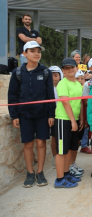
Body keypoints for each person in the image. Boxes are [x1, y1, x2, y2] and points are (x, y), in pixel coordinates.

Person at [8, 41, 55, 188]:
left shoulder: (45, 72)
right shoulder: (18, 73)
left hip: (42, 114)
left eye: (38, 51)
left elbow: (50, 95)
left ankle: (40, 172)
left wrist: (51, 114)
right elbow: (12, 95)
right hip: (24, 115)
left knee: (41, 143)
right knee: (28, 144)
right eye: (32, 51)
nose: (36, 54)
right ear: (24, 54)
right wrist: (14, 115)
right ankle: (30, 173)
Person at [54, 58, 83, 188]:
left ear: (76, 68)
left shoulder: (78, 84)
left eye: (72, 67)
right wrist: (73, 121)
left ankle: (66, 173)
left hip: (74, 120)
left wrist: (80, 119)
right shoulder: (62, 83)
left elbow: (80, 102)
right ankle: (59, 179)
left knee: (69, 149)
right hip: (63, 120)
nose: (70, 70)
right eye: (66, 68)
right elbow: (65, 102)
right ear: (63, 71)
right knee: (61, 151)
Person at [49, 66, 63, 167]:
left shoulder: (62, 86)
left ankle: (61, 156)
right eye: (51, 75)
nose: (54, 78)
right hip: (52, 115)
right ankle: (55, 158)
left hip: (61, 115)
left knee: (61, 138)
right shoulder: (47, 88)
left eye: (56, 75)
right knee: (54, 137)